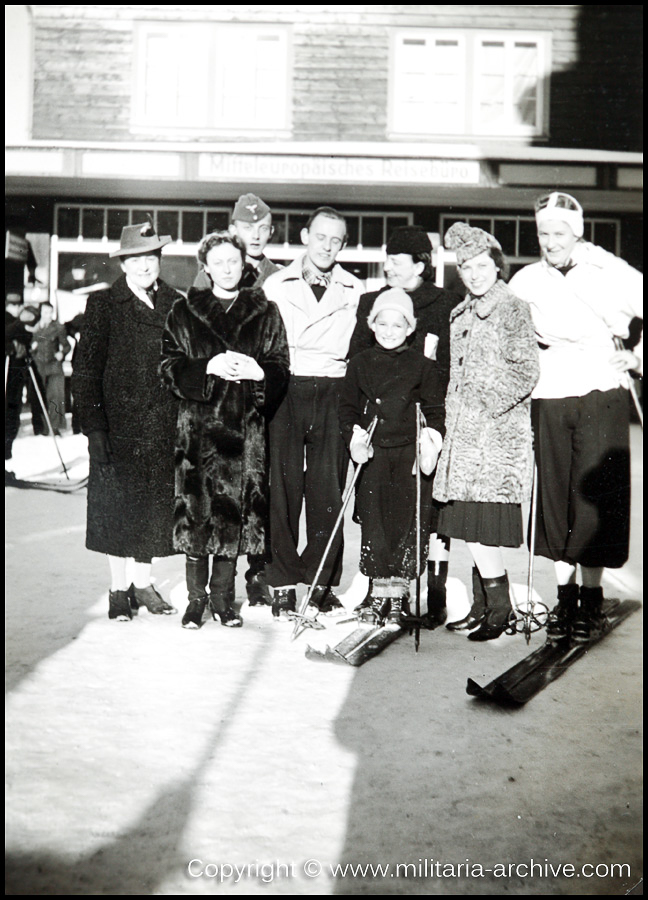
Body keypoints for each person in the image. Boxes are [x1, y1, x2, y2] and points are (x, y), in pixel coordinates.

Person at [509, 192, 643, 643]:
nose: (550, 241)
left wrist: (638, 359)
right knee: (556, 495)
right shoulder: (527, 279)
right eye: (543, 233)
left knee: (596, 496)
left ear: (577, 232)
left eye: (559, 233)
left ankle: (591, 598)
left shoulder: (611, 272)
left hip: (601, 389)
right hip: (550, 391)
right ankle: (564, 600)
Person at [160, 231, 290, 630]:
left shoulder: (265, 312)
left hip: (244, 435)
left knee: (235, 515)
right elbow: (167, 367)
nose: (227, 269)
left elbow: (281, 367)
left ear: (244, 264)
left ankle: (223, 600)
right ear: (206, 267)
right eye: (218, 262)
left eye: (233, 261)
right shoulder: (184, 312)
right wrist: (206, 368)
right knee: (197, 514)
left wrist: (259, 373)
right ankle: (195, 601)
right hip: (197, 434)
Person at [348, 225, 461, 626]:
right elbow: (358, 366)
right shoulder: (371, 302)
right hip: (381, 429)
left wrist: (434, 431)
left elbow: (450, 364)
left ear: (420, 263)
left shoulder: (445, 302)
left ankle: (433, 591)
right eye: (388, 259)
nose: (389, 267)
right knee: (377, 513)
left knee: (426, 515)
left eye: (397, 260)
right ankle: (378, 590)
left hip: (425, 420)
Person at [433, 223, 539, 641]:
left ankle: (499, 608)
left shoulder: (511, 307)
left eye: (481, 265)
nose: (474, 274)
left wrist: (485, 405)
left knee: (481, 528)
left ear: (497, 265)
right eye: (465, 267)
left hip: (495, 438)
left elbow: (526, 370)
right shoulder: (460, 313)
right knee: (472, 527)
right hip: (464, 438)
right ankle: (482, 606)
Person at [73, 223, 181, 621]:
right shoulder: (104, 305)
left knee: (153, 512)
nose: (144, 266)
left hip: (161, 426)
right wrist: (94, 429)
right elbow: (85, 372)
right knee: (117, 512)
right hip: (118, 428)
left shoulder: (175, 302)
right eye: (135, 259)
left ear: (159, 261)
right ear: (124, 263)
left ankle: (143, 582)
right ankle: (119, 588)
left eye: (150, 258)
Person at [263, 206, 364, 618]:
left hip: (333, 388)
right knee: (283, 487)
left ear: (342, 244)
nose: (326, 246)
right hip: (289, 384)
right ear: (306, 236)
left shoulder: (355, 289)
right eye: (320, 236)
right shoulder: (275, 284)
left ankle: (321, 581)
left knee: (328, 489)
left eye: (335, 239)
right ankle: (283, 581)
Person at [339, 289, 445, 622]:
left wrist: (430, 440)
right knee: (375, 523)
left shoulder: (421, 365)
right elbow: (347, 408)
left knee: (405, 524)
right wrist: (355, 438)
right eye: (382, 323)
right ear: (371, 325)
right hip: (374, 453)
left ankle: (398, 596)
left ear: (409, 328)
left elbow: (434, 409)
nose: (388, 331)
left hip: (408, 455)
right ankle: (376, 593)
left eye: (396, 325)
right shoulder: (359, 363)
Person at [193, 193, 280, 291]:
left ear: (271, 232)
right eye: (248, 228)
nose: (256, 236)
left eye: (263, 228)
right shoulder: (210, 276)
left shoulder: (279, 276)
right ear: (233, 231)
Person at [30, 302, 72, 435]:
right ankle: (42, 428)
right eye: (44, 312)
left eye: (49, 312)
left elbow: (67, 346)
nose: (47, 315)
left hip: (54, 367)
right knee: (39, 398)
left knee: (55, 397)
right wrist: (32, 347)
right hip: (39, 367)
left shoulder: (58, 327)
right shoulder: (35, 328)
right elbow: (29, 347)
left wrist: (62, 353)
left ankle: (55, 428)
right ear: (40, 313)